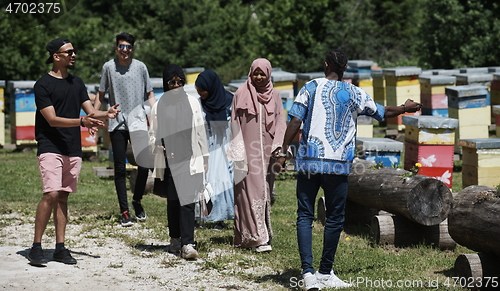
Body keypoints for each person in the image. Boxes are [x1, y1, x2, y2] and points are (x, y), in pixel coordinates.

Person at [277, 49, 422, 290]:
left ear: (326, 65)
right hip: (338, 164)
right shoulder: (355, 93)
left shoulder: (310, 87)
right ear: (344, 69)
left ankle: (308, 274)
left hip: (309, 162)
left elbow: (294, 120)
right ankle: (325, 272)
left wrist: (283, 152)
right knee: (334, 218)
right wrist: (405, 108)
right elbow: (382, 112)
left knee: (305, 215)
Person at [28, 37, 119, 266]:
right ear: (55, 57)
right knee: (51, 194)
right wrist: (82, 122)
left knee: (63, 197)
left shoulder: (77, 83)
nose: (73, 55)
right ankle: (36, 246)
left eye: (73, 51)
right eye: (68, 52)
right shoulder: (42, 85)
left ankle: (60, 247)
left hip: (72, 148)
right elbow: (51, 119)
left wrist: (105, 114)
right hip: (50, 146)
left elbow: (89, 110)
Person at [94, 32, 156, 227]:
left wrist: (155, 113)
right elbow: (101, 93)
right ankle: (125, 212)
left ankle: (137, 201)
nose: (125, 50)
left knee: (145, 165)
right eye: (122, 46)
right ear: (116, 48)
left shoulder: (140, 67)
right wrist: (93, 117)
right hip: (117, 122)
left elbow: (150, 93)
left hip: (138, 121)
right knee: (119, 168)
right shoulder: (108, 67)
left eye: (128, 47)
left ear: (132, 49)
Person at [227, 58, 288, 252]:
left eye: (263, 74)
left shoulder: (275, 96)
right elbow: (234, 123)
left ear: (269, 74)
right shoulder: (241, 93)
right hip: (246, 152)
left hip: (268, 153)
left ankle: (261, 233)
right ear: (250, 74)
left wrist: (279, 149)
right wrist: (238, 152)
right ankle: (256, 238)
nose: (259, 77)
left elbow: (280, 122)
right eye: (256, 73)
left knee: (264, 191)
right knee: (249, 192)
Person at [149, 64, 209, 259]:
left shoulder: (192, 103)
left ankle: (188, 243)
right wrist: (156, 146)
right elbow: (153, 134)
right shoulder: (159, 106)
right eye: (172, 82)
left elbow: (200, 131)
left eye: (180, 82)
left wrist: (205, 157)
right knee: (173, 201)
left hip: (189, 158)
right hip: (168, 162)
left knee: (188, 202)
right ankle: (175, 239)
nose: (176, 85)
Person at [195, 70, 234, 229]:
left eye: (203, 89)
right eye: (198, 89)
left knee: (225, 182)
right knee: (208, 182)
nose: (201, 93)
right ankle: (206, 217)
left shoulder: (230, 101)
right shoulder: (199, 104)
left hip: (226, 147)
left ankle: (222, 217)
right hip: (207, 148)